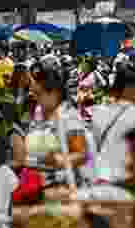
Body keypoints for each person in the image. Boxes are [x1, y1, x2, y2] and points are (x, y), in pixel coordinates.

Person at [11, 56, 90, 190]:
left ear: (54, 93)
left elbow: (82, 155)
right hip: (36, 187)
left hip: (62, 190)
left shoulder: (69, 116)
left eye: (38, 94)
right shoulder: (37, 112)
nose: (35, 98)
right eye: (34, 93)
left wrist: (59, 161)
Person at [89, 69, 135, 184]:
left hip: (100, 178)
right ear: (129, 89)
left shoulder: (98, 112)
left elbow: (92, 149)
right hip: (126, 180)